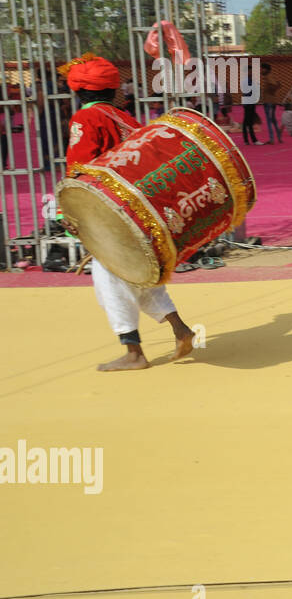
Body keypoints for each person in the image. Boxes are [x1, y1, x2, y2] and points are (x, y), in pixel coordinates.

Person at [60, 54, 196, 371]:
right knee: (138, 275)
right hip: (140, 208)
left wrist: (71, 214)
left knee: (108, 279)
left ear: (79, 90)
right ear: (111, 89)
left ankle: (133, 352)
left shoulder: (85, 118)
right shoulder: (126, 117)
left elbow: (80, 167)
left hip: (109, 211)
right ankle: (180, 329)